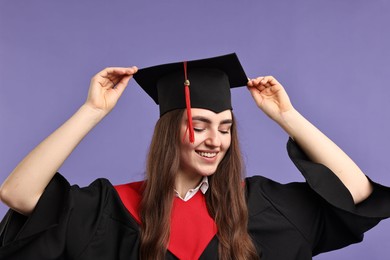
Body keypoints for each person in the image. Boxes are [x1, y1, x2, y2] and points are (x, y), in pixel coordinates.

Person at [0, 53, 389, 260]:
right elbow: (18, 194)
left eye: (225, 127)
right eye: (199, 124)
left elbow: (355, 192)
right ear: (169, 133)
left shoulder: (260, 206)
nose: (215, 139)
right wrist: (92, 111)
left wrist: (288, 117)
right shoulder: (109, 209)